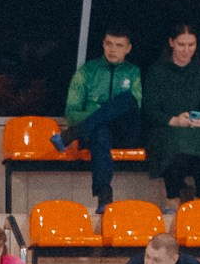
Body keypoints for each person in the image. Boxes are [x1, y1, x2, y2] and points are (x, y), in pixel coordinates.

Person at [52, 27, 145, 207]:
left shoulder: (133, 72)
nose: (112, 49)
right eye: (109, 44)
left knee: (127, 99)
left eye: (119, 45)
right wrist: (100, 114)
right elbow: (71, 114)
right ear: (103, 44)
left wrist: (98, 112)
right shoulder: (87, 72)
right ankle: (104, 195)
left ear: (128, 48)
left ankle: (71, 135)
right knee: (100, 130)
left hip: (124, 133)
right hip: (96, 135)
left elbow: (136, 107)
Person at [142, 22, 200, 202]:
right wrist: (174, 120)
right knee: (175, 144)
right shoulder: (157, 71)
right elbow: (149, 110)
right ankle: (173, 197)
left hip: (196, 127)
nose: (186, 50)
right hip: (166, 126)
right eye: (181, 45)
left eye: (191, 45)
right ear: (171, 43)